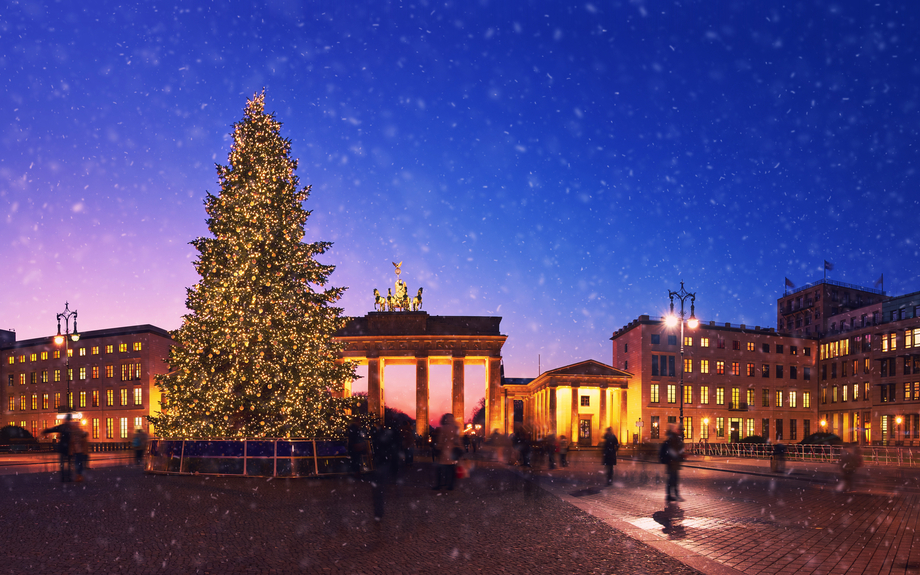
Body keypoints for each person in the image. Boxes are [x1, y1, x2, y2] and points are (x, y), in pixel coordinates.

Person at [370, 422, 399, 520]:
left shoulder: (376, 437)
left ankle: (378, 511)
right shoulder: (388, 438)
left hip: (378, 463)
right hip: (383, 463)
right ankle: (379, 510)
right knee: (380, 489)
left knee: (378, 489)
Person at [433, 413, 461, 491]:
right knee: (452, 469)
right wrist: (458, 448)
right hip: (452, 452)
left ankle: (439, 484)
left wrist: (437, 448)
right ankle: (451, 485)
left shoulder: (443, 428)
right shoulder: (456, 428)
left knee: (440, 469)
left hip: (445, 451)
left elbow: (440, 440)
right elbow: (458, 441)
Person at [42, 415, 75, 482]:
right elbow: (73, 438)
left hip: (63, 448)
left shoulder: (62, 427)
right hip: (68, 448)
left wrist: (46, 431)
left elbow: (53, 429)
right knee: (68, 464)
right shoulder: (71, 428)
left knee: (63, 464)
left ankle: (63, 477)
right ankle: (68, 477)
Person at [660, 426, 685, 502]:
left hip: (673, 463)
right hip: (671, 463)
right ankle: (672, 495)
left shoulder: (675, 439)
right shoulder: (673, 439)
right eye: (680, 430)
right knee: (672, 479)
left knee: (673, 479)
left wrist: (681, 455)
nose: (681, 432)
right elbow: (672, 451)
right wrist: (678, 456)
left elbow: (677, 450)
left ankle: (671, 495)